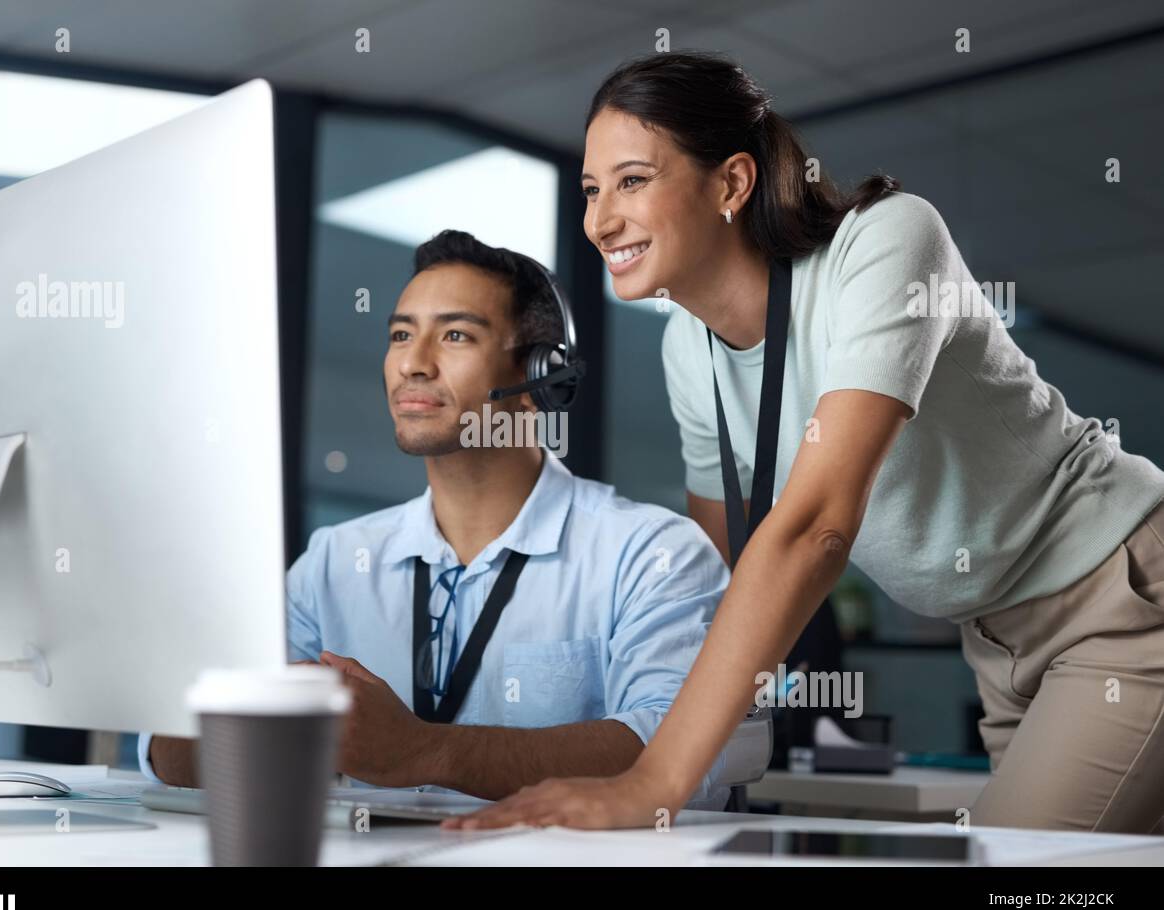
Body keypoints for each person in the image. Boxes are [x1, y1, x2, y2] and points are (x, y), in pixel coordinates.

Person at [449, 52, 1164, 833]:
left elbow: (818, 523)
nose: (599, 219)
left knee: (1018, 899)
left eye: (631, 180)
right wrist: (612, 728)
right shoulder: (689, 347)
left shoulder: (886, 242)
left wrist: (651, 780)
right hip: (993, 642)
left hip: (1118, 595)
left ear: (730, 183)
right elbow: (712, 577)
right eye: (590, 189)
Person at [140, 229, 761, 809]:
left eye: (456, 335)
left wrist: (422, 750)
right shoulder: (334, 560)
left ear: (541, 374)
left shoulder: (651, 552)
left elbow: (687, 751)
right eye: (402, 335)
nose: (414, 363)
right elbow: (169, 749)